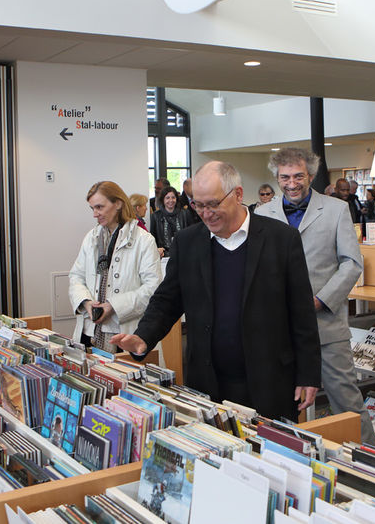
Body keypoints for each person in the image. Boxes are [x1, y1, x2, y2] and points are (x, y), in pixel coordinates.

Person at [111, 161, 321, 422]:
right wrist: (143, 337)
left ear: (238, 195)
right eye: (198, 205)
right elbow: (168, 300)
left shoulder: (282, 239)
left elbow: (301, 313)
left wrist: (308, 373)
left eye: (213, 204)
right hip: (208, 385)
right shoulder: (188, 242)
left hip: (270, 382)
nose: (205, 213)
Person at [256, 149, 375, 443]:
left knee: (347, 403)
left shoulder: (336, 210)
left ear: (310, 175)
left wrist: (320, 300)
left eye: (298, 176)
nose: (292, 183)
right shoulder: (261, 213)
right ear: (276, 178)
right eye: (285, 177)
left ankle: (373, 468)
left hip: (326, 325)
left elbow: (352, 262)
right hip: (278, 329)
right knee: (281, 405)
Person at [68, 181, 161, 351]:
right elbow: (76, 276)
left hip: (124, 334)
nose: (95, 214)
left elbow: (153, 288)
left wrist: (114, 306)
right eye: (92, 209)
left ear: (118, 203)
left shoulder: (144, 240)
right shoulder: (91, 238)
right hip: (89, 332)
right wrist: (87, 303)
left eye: (99, 207)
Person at [149, 186, 192, 257]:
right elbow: (153, 238)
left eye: (173, 197)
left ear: (176, 199)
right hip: (164, 255)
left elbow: (191, 234)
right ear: (163, 199)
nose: (171, 200)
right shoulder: (155, 216)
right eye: (167, 198)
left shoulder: (185, 213)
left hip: (183, 253)